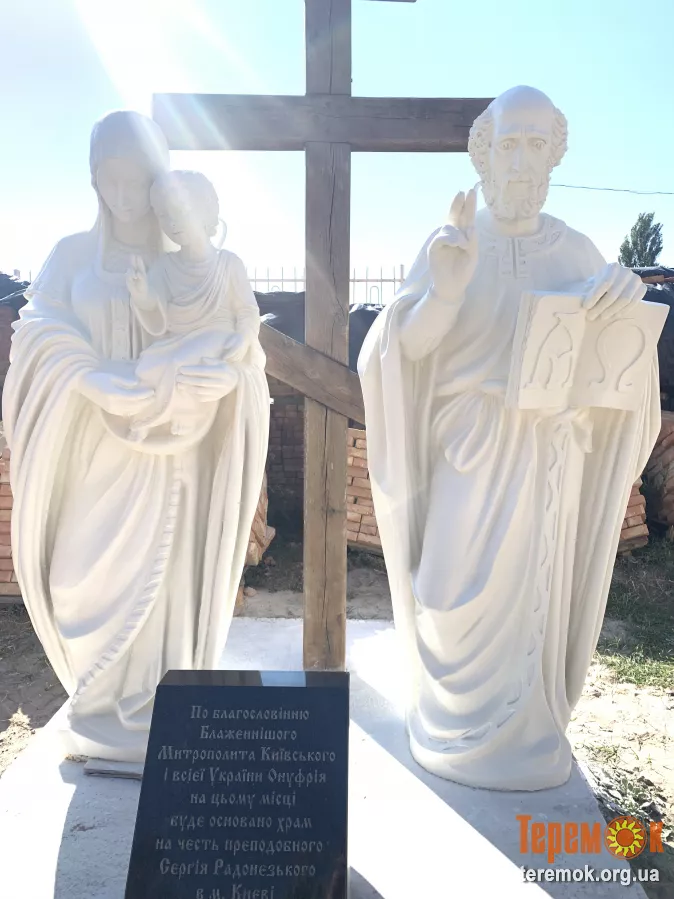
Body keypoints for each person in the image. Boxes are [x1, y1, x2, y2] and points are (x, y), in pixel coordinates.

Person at [358, 86, 662, 791]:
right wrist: (445, 292)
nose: (521, 162)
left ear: (554, 155)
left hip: (546, 461)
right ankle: (449, 725)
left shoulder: (578, 250)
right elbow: (399, 354)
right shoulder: (453, 241)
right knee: (443, 594)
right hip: (468, 453)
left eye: (535, 145)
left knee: (535, 601)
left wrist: (624, 303)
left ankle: (523, 735)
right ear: (484, 154)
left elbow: (616, 373)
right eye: (509, 144)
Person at [3, 111, 270, 763]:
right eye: (109, 178)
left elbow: (242, 346)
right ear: (93, 178)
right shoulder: (71, 254)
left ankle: (157, 700)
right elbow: (34, 334)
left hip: (173, 454)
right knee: (78, 580)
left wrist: (225, 377)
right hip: (93, 449)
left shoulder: (187, 262)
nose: (123, 195)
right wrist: (88, 376)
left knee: (169, 582)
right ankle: (98, 700)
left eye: (138, 179)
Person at [125, 169, 263, 441]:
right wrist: (141, 294)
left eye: (180, 211)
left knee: (182, 364)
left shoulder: (228, 263)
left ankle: (177, 415)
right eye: (164, 215)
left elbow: (247, 310)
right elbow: (154, 305)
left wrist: (245, 336)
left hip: (216, 337)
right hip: (178, 338)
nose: (172, 222)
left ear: (205, 210)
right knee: (148, 366)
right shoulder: (166, 265)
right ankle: (163, 410)